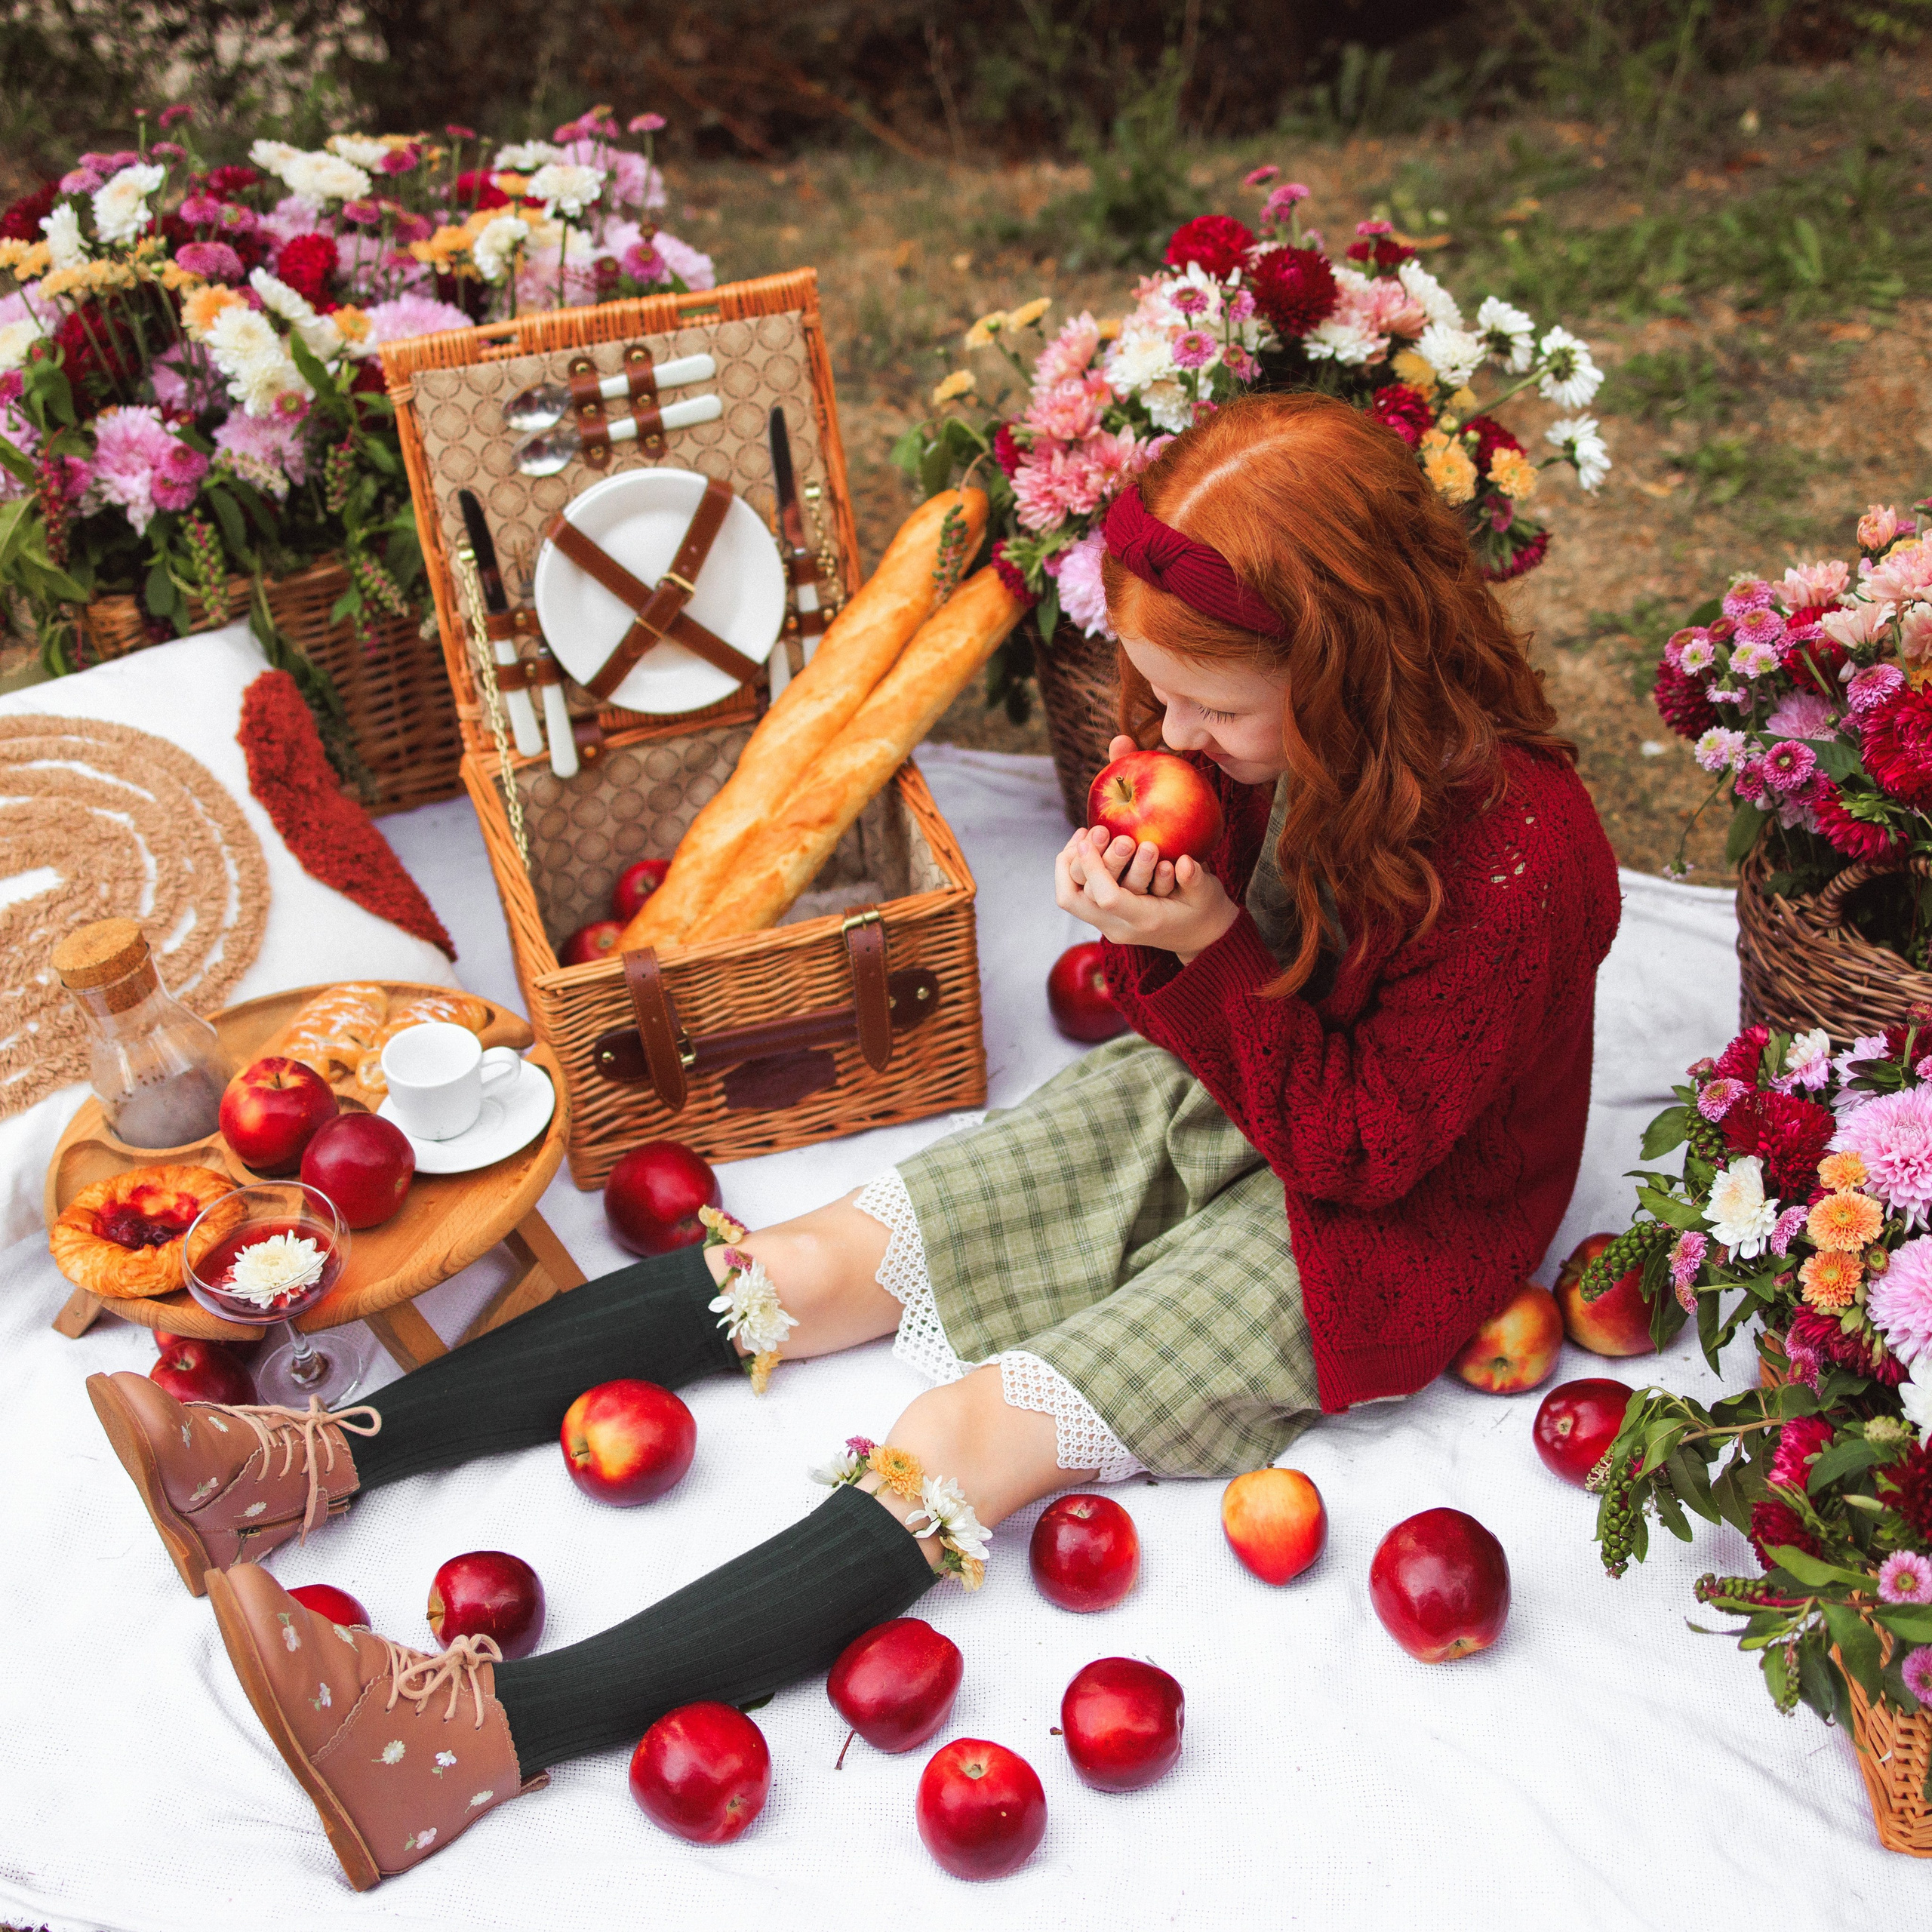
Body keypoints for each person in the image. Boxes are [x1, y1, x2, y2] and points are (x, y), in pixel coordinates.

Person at [88, 391, 1620, 1887]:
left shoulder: (1519, 860)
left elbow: (1360, 1150)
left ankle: (477, 1733)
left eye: (1212, 710)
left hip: (1377, 1220)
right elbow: (1242, 966)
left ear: (1352, 670)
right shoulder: (1263, 756)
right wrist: (1167, 918)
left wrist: (1202, 943)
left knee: (966, 1433)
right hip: (1237, 1084)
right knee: (812, 1255)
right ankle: (304, 1457)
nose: (1178, 740)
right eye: (1160, 700)